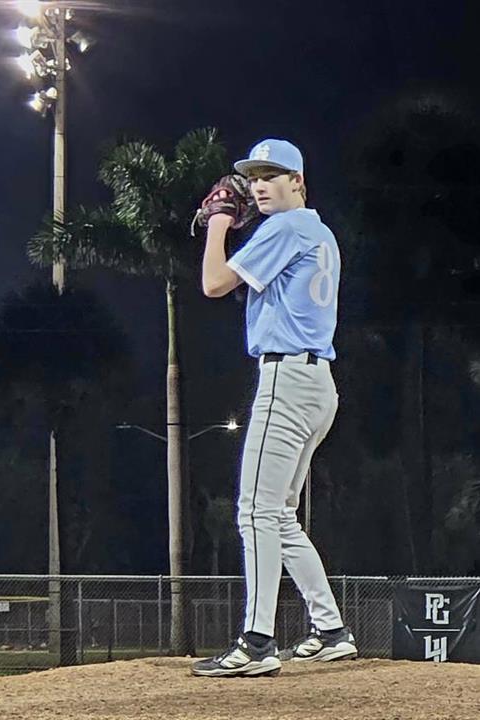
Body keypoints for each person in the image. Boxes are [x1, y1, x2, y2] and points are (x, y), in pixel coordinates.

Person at [192, 139, 357, 678]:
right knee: (280, 514)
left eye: (272, 175)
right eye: (255, 176)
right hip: (317, 383)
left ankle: (257, 641)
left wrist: (218, 222)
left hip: (287, 379)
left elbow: (214, 284)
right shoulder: (319, 231)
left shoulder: (285, 227)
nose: (259, 185)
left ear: (298, 182)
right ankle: (331, 630)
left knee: (255, 511)